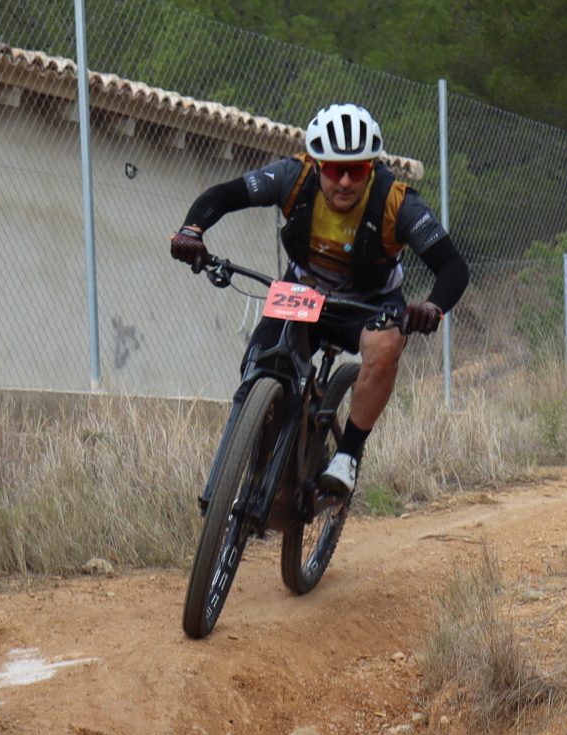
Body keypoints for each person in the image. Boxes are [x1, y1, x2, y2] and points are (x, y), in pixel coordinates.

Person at [170, 103, 470, 498]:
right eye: (333, 169)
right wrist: (191, 231)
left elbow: (452, 267)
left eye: (356, 171)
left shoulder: (397, 203)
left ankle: (347, 455)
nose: (344, 181)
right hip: (303, 294)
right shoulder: (292, 176)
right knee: (258, 363)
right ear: (315, 165)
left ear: (371, 168)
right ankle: (258, 458)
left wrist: (432, 306)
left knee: (386, 346)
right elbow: (224, 195)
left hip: (368, 304)